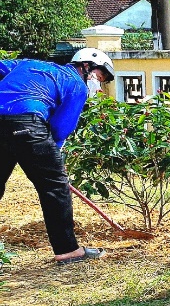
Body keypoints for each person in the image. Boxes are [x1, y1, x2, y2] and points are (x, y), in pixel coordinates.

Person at [0, 49, 116, 265]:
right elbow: (61, 128)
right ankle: (68, 250)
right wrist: (56, 161)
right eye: (99, 77)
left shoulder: (28, 63)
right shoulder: (76, 84)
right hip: (28, 124)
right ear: (86, 66)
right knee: (55, 188)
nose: (98, 85)